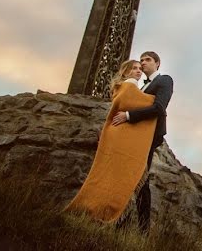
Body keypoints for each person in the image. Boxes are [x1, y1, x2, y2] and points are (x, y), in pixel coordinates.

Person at [65, 60, 157, 223]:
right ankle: (104, 208)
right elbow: (138, 103)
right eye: (134, 68)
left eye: (139, 69)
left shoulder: (127, 87)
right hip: (120, 135)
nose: (138, 71)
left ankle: (95, 206)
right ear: (126, 72)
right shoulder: (129, 86)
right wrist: (156, 102)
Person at [111, 51, 174, 232]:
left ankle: (142, 229)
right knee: (134, 178)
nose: (143, 63)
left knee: (141, 178)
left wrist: (129, 116)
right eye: (141, 60)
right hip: (136, 136)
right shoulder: (141, 87)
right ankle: (124, 224)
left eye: (147, 60)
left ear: (157, 63)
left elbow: (159, 107)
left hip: (150, 136)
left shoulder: (164, 80)